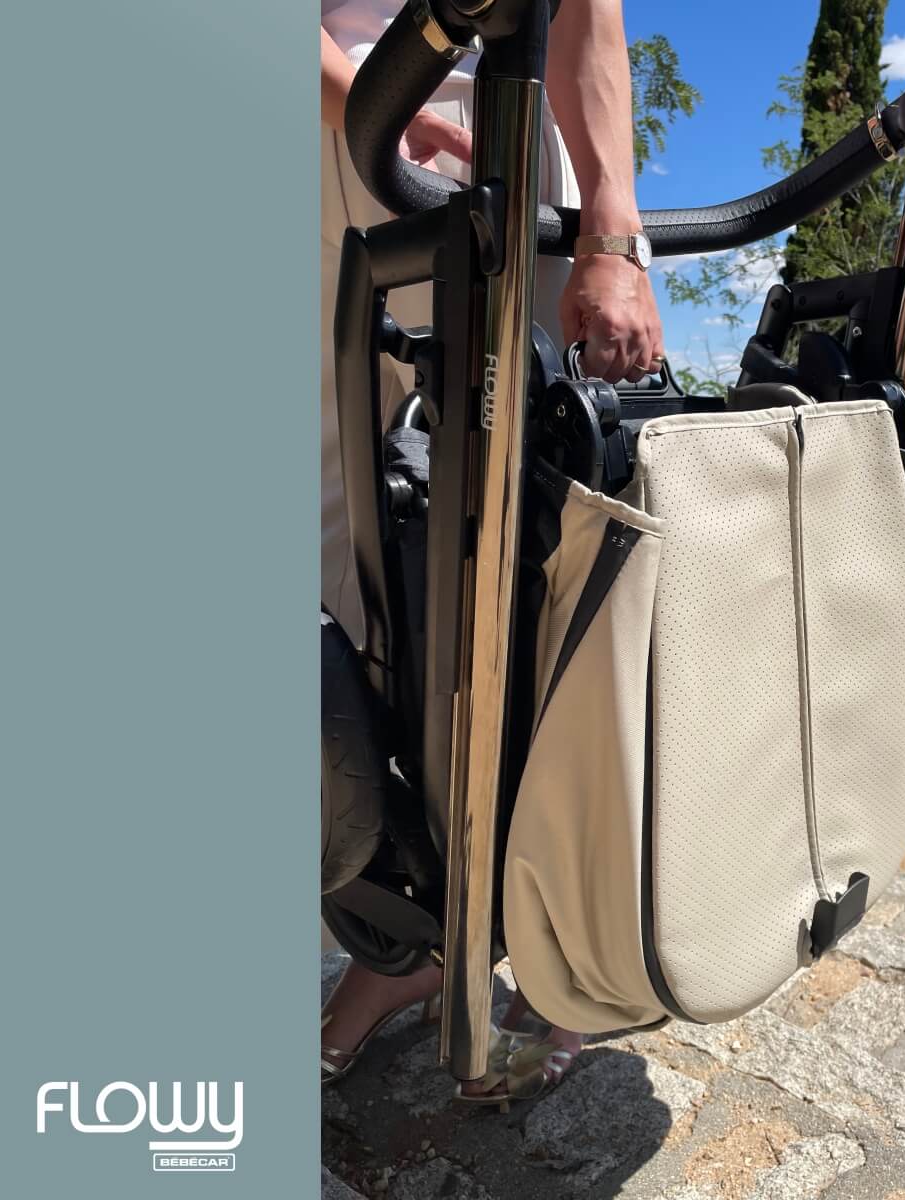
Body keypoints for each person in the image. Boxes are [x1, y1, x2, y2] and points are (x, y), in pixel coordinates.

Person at [320, 0, 664, 1103]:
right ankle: (419, 942)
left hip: (490, 127)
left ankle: (564, 939)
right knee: (353, 578)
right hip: (326, 129)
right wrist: (357, 97)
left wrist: (612, 229)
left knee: (541, 566)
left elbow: (585, 14)